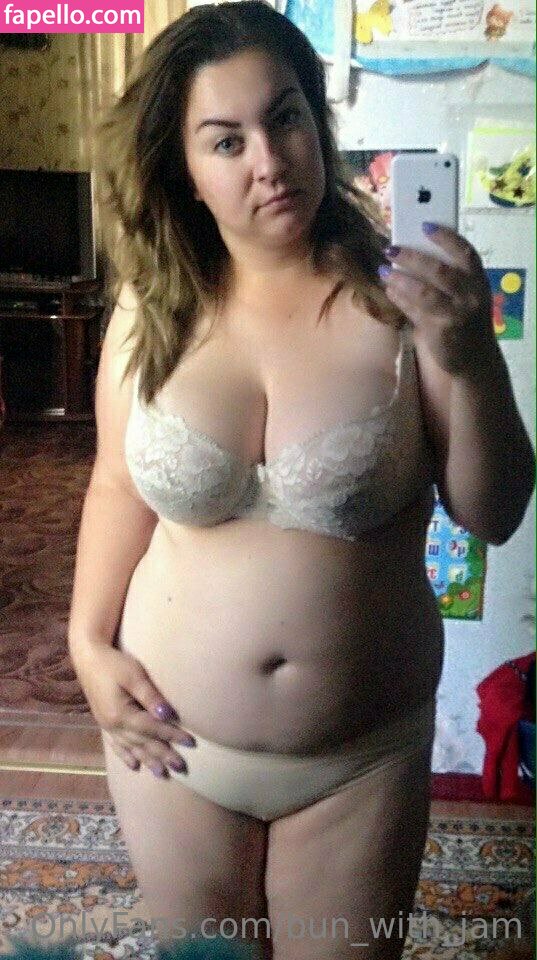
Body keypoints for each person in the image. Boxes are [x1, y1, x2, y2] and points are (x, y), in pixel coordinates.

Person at [67, 3, 536, 958]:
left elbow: (492, 513)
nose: (269, 161)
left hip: (357, 762)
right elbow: (117, 486)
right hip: (173, 750)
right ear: (184, 168)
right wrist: (85, 644)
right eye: (225, 140)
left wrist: (471, 356)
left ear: (316, 120)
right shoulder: (150, 308)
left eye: (284, 118)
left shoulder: (406, 300)